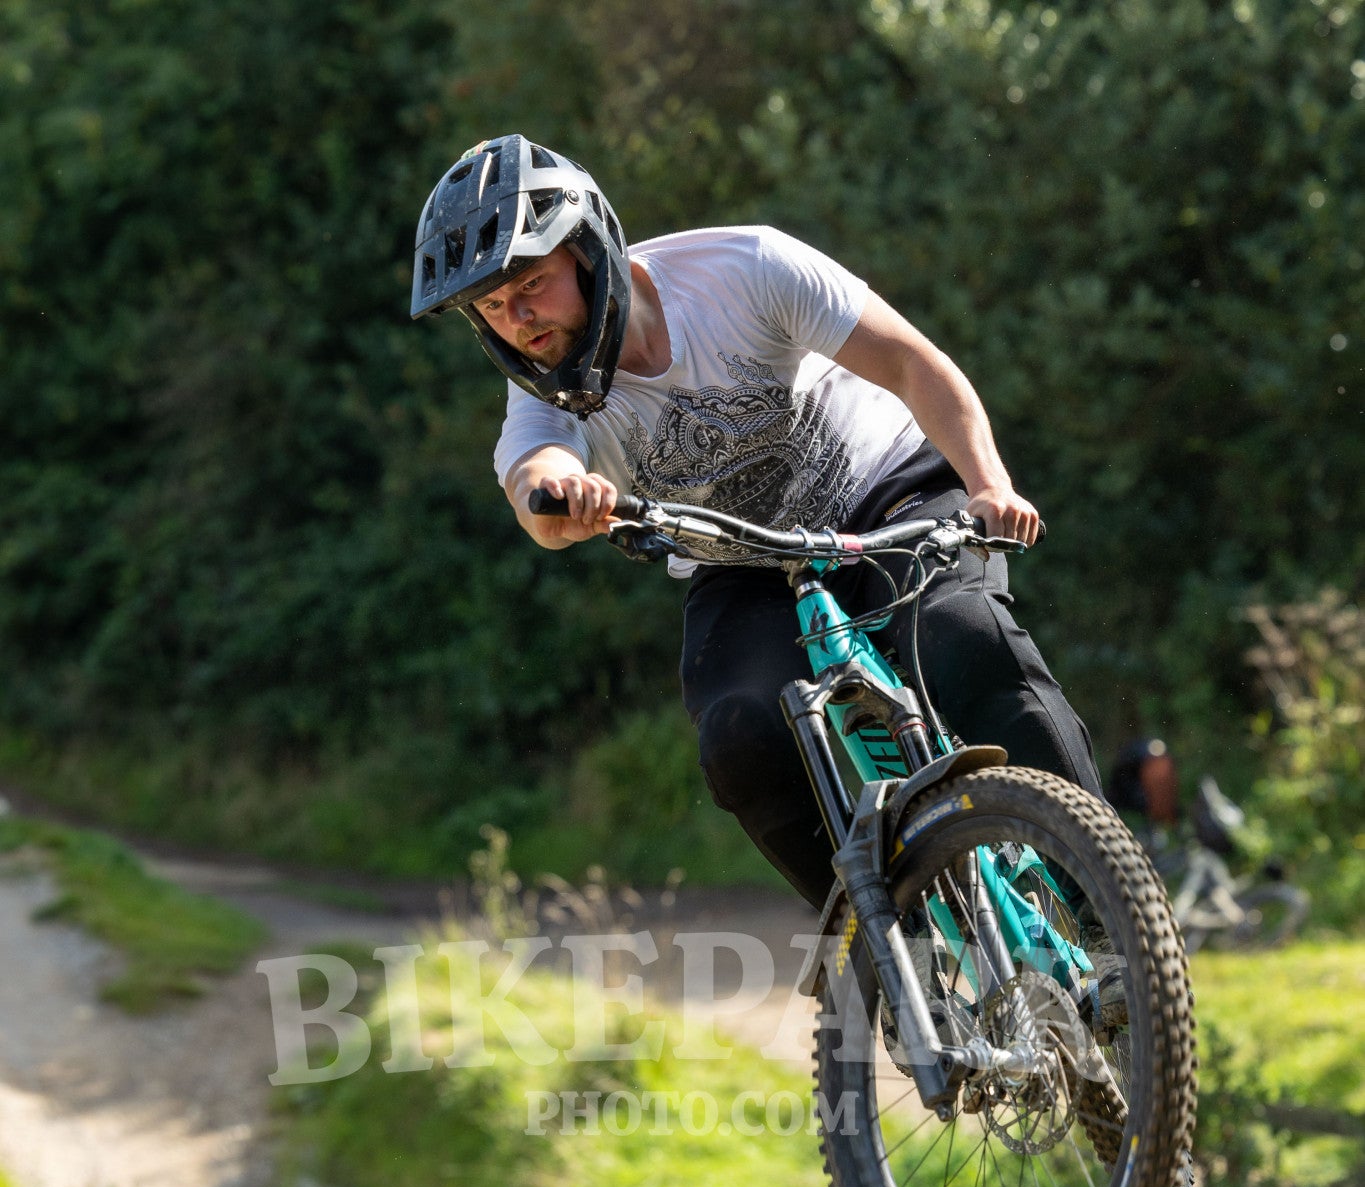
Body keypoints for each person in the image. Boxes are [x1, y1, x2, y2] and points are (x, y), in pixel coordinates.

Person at [412, 136, 1103, 908]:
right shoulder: (546, 395)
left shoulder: (743, 268)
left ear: (586, 248)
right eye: (492, 307)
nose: (518, 320)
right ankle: (882, 944)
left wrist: (988, 485)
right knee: (739, 737)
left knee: (968, 639)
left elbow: (912, 364)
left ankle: (1105, 917)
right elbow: (534, 478)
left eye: (532, 284)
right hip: (742, 560)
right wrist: (565, 493)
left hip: (887, 496)